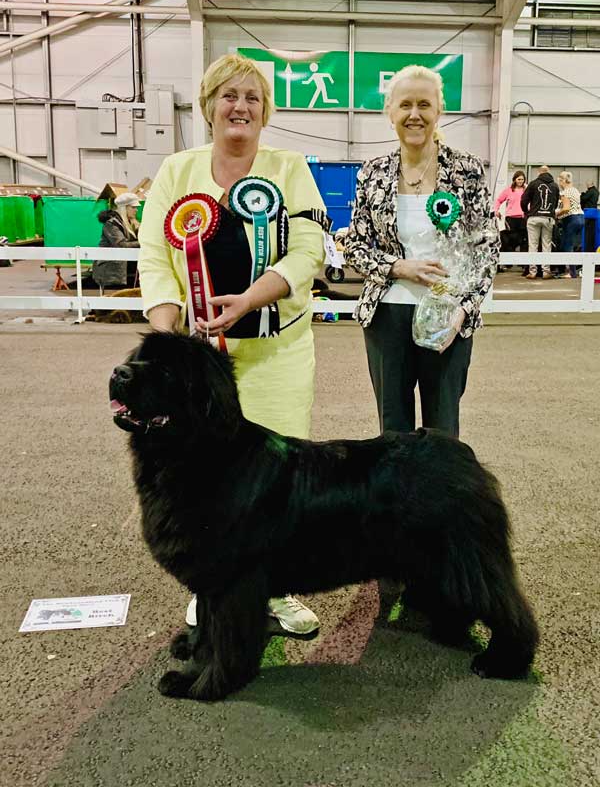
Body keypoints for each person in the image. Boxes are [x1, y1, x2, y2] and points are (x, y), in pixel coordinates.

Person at [137, 53, 326, 635]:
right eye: (228, 95)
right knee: (203, 479)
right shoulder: (176, 171)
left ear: (265, 111)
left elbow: (308, 251)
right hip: (199, 363)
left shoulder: (289, 167)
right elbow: (155, 258)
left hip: (276, 349)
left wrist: (249, 300)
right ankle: (214, 585)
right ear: (208, 105)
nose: (239, 106)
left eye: (251, 97)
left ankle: (281, 588)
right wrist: (170, 336)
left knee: (279, 477)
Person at [345, 65, 499, 439]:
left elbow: (488, 247)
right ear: (391, 113)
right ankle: (397, 500)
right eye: (406, 105)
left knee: (442, 431)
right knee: (393, 434)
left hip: (448, 317)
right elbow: (353, 245)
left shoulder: (467, 170)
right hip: (387, 317)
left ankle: (440, 500)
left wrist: (464, 309)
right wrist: (398, 266)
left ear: (438, 111)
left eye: (424, 105)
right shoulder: (373, 173)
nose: (415, 115)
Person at [94, 192, 140, 291]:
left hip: (125, 271)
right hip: (112, 272)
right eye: (133, 207)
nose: (136, 210)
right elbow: (121, 245)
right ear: (125, 208)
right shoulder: (111, 224)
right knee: (113, 301)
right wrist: (143, 242)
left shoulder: (131, 223)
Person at [520, 165, 560, 280]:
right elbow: (556, 203)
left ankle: (532, 272)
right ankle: (546, 271)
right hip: (548, 218)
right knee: (546, 245)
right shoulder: (555, 185)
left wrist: (526, 212)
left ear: (539, 173)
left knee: (533, 245)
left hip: (534, 217)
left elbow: (524, 200)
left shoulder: (533, 183)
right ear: (549, 172)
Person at [494, 170, 528, 265]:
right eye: (519, 179)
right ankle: (509, 262)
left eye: (522, 179)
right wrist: (496, 211)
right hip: (510, 219)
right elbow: (498, 200)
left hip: (522, 218)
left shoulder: (527, 190)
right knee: (510, 241)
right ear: (514, 179)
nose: (520, 181)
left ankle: (523, 263)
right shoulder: (508, 190)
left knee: (523, 241)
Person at [556, 171, 585, 279]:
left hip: (571, 219)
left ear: (562, 180)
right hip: (581, 218)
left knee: (567, 246)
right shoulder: (575, 190)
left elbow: (566, 208)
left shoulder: (565, 192)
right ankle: (577, 269)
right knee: (576, 245)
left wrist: (557, 214)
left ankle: (571, 272)